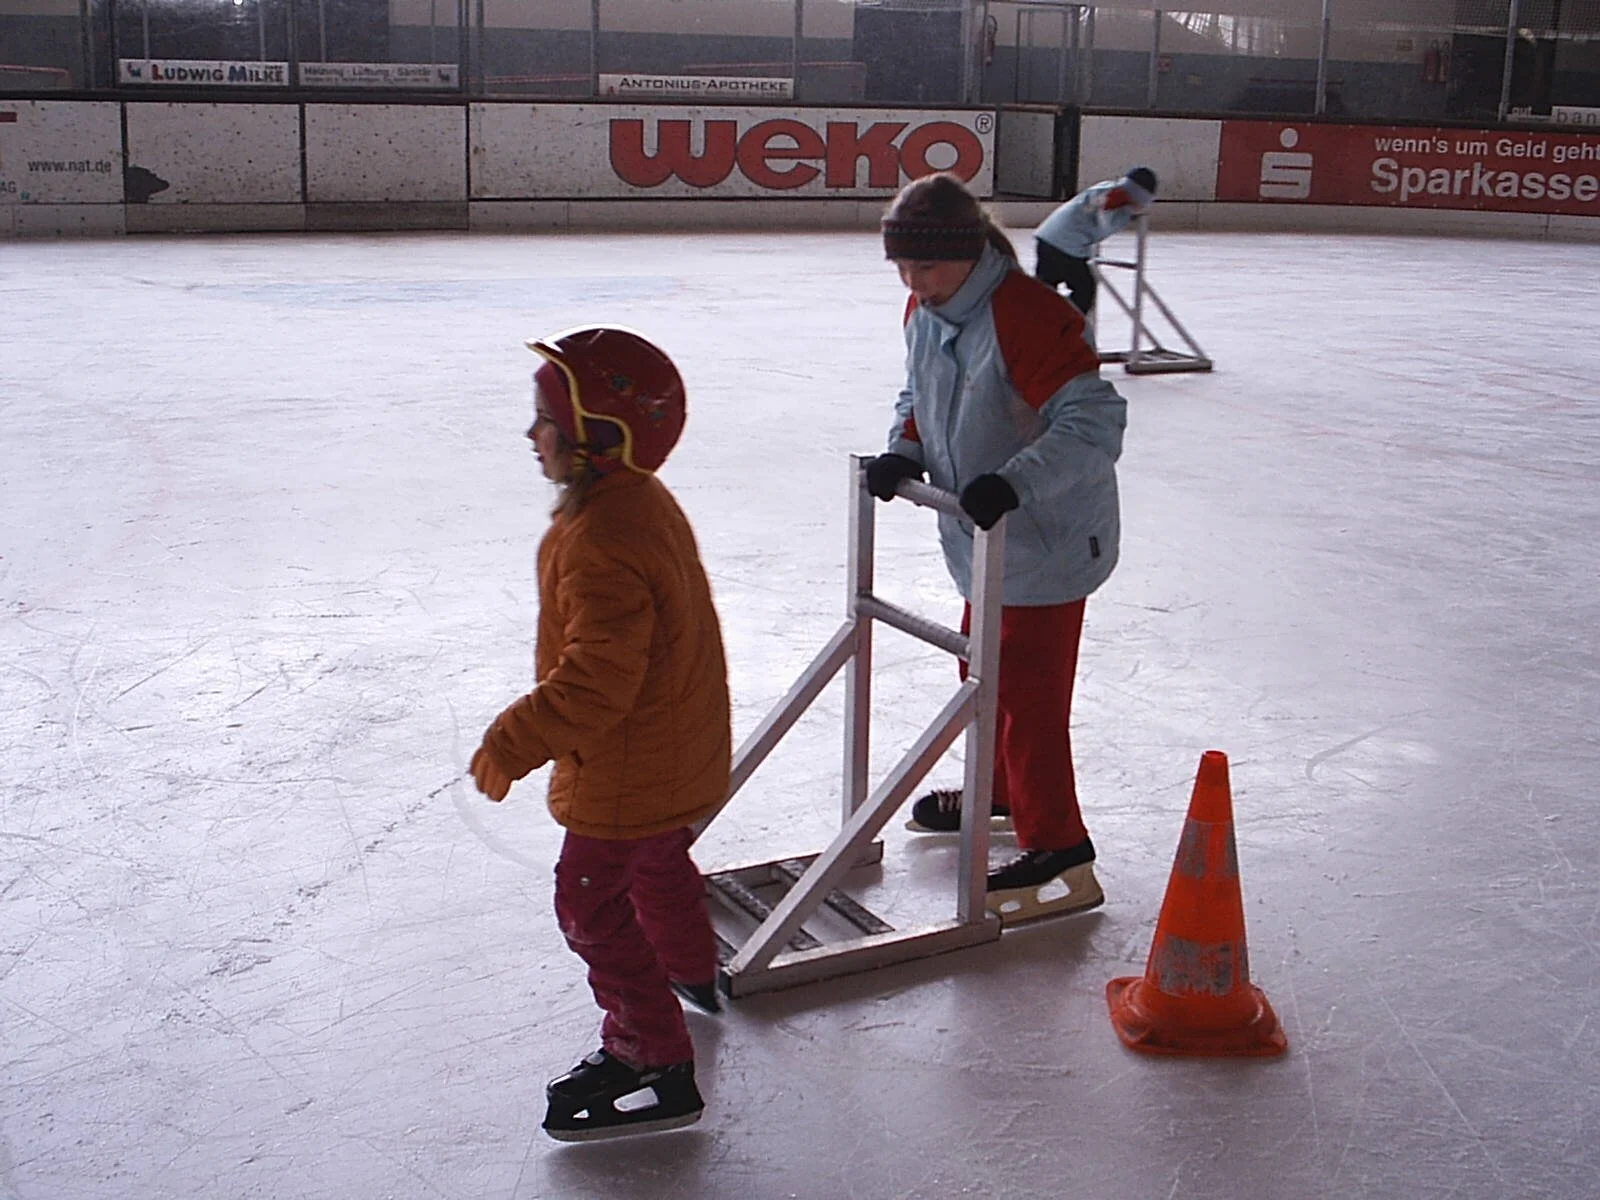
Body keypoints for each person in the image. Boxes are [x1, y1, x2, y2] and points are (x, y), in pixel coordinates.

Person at [468, 324, 731, 1142]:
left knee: (588, 901)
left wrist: (512, 740)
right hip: (677, 749)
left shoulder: (602, 542)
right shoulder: (634, 503)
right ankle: (692, 972)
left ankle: (652, 1053)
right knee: (660, 867)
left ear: (592, 440)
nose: (530, 436)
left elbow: (596, 682)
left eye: (543, 422)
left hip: (629, 765)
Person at [866, 172, 1127, 922]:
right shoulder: (927, 306)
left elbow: (1094, 425)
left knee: (1027, 696)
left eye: (926, 267)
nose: (914, 282)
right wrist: (904, 448)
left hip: (1045, 536)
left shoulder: (1027, 314)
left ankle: (1061, 851)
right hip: (985, 536)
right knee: (979, 666)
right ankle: (1004, 793)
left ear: (969, 251)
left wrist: (1015, 483)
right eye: (903, 269)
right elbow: (918, 392)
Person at [1033, 166, 1158, 318]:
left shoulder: (1106, 187)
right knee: (1084, 290)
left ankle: (1037, 322)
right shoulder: (1115, 200)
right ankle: (1063, 324)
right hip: (1066, 245)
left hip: (1047, 236)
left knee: (1044, 289)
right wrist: (1127, 212)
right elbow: (1106, 224)